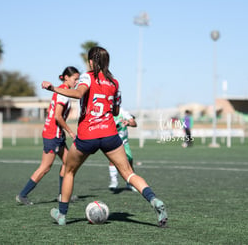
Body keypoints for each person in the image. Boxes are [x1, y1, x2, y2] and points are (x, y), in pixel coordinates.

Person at [41, 46, 168, 227]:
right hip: (110, 134)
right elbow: (116, 110)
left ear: (91, 62)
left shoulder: (87, 76)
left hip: (87, 135)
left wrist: (53, 88)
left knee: (69, 171)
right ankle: (154, 200)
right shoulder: (115, 83)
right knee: (129, 173)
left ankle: (62, 215)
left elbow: (78, 93)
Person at [16, 66, 80, 205]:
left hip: (57, 134)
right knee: (45, 167)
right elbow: (57, 116)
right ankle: (22, 195)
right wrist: (70, 132)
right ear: (67, 77)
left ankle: (62, 194)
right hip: (53, 135)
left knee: (68, 162)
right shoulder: (63, 93)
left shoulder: (62, 91)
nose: (77, 82)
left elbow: (53, 112)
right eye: (75, 79)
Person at [108, 107, 137, 191]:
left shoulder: (122, 112)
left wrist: (128, 122)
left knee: (129, 161)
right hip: (113, 141)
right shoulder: (107, 113)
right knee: (112, 160)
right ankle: (114, 181)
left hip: (124, 142)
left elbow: (134, 123)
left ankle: (130, 183)